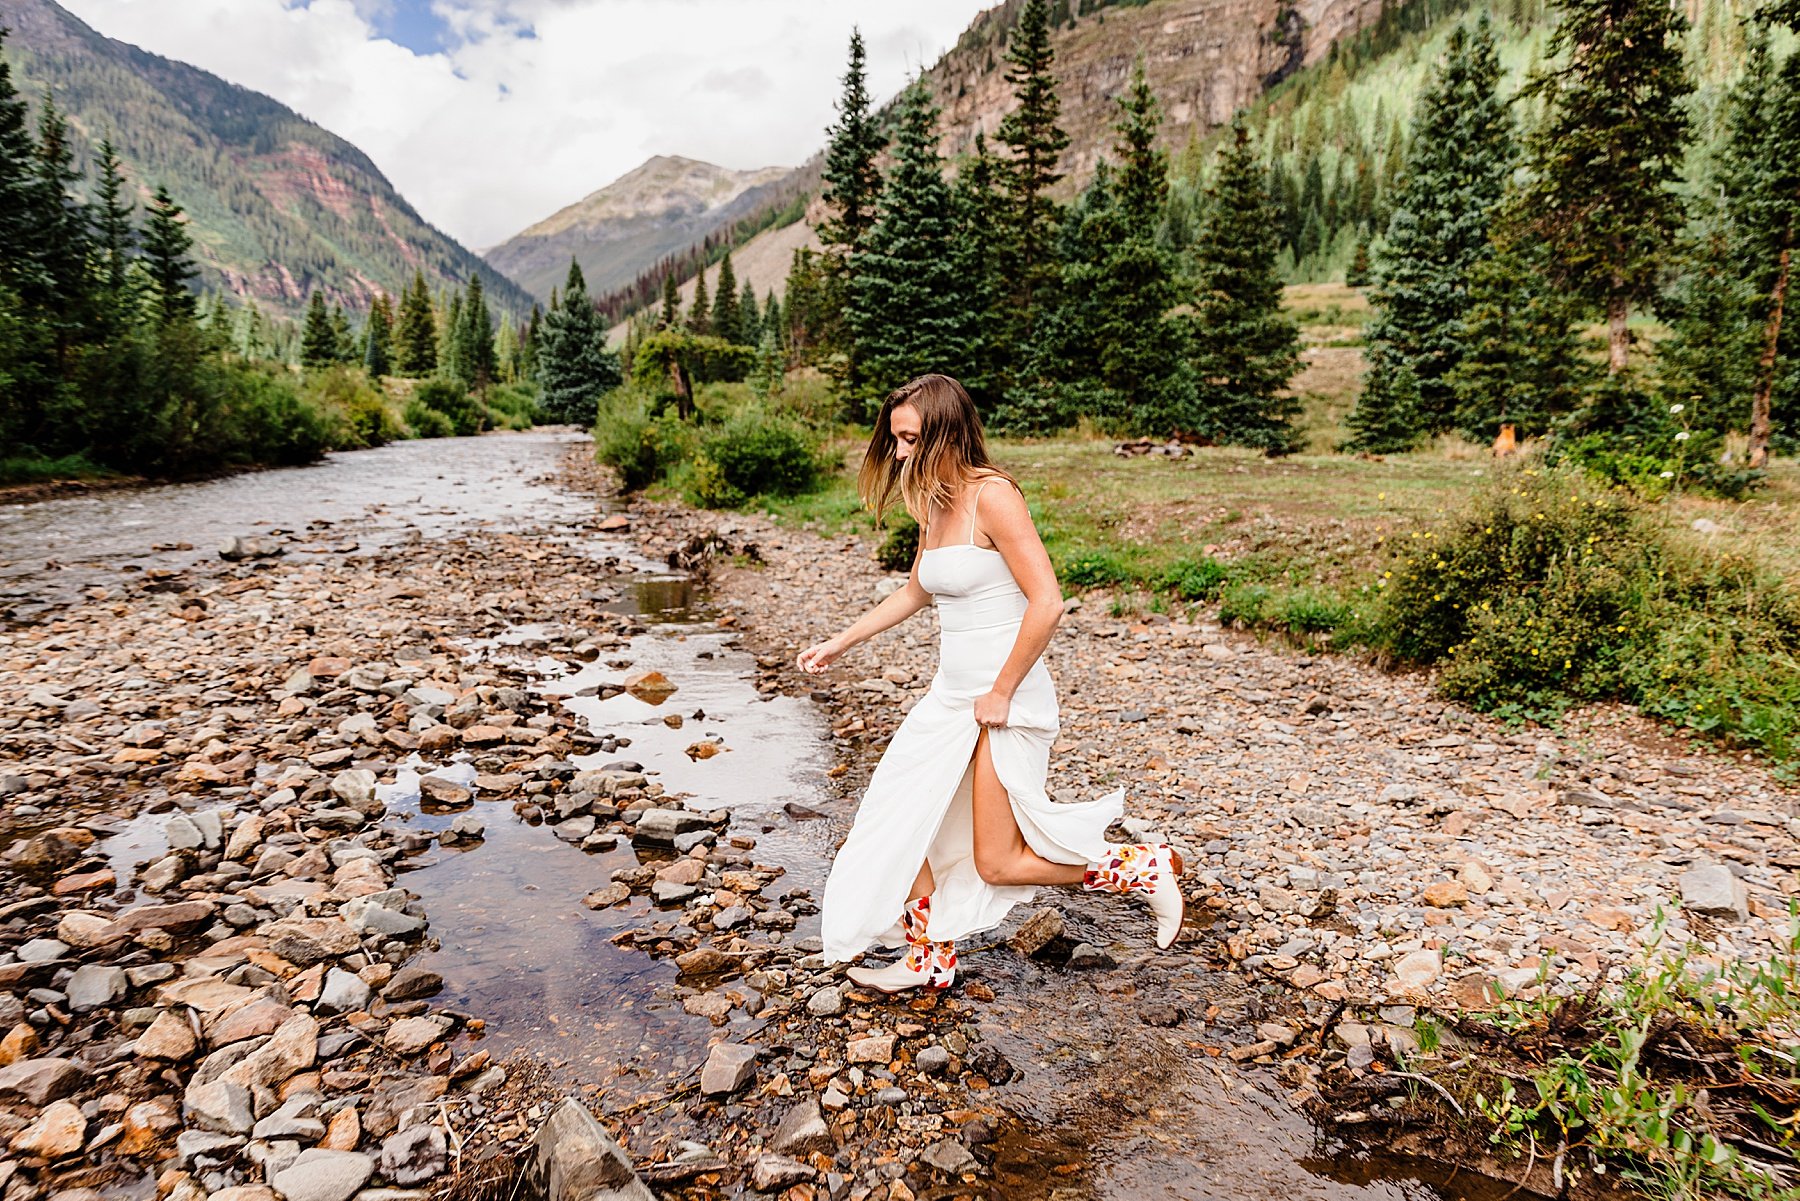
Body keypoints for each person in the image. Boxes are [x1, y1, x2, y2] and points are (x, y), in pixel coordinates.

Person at [798, 374, 1184, 994]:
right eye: (895, 439)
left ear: (947, 432)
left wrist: (1002, 689)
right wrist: (841, 641)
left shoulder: (993, 495)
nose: (899, 453)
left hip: (1003, 700)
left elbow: (1048, 602)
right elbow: (915, 591)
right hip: (948, 699)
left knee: (997, 861)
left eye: (909, 439)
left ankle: (1138, 867)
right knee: (902, 822)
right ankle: (928, 961)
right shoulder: (929, 497)